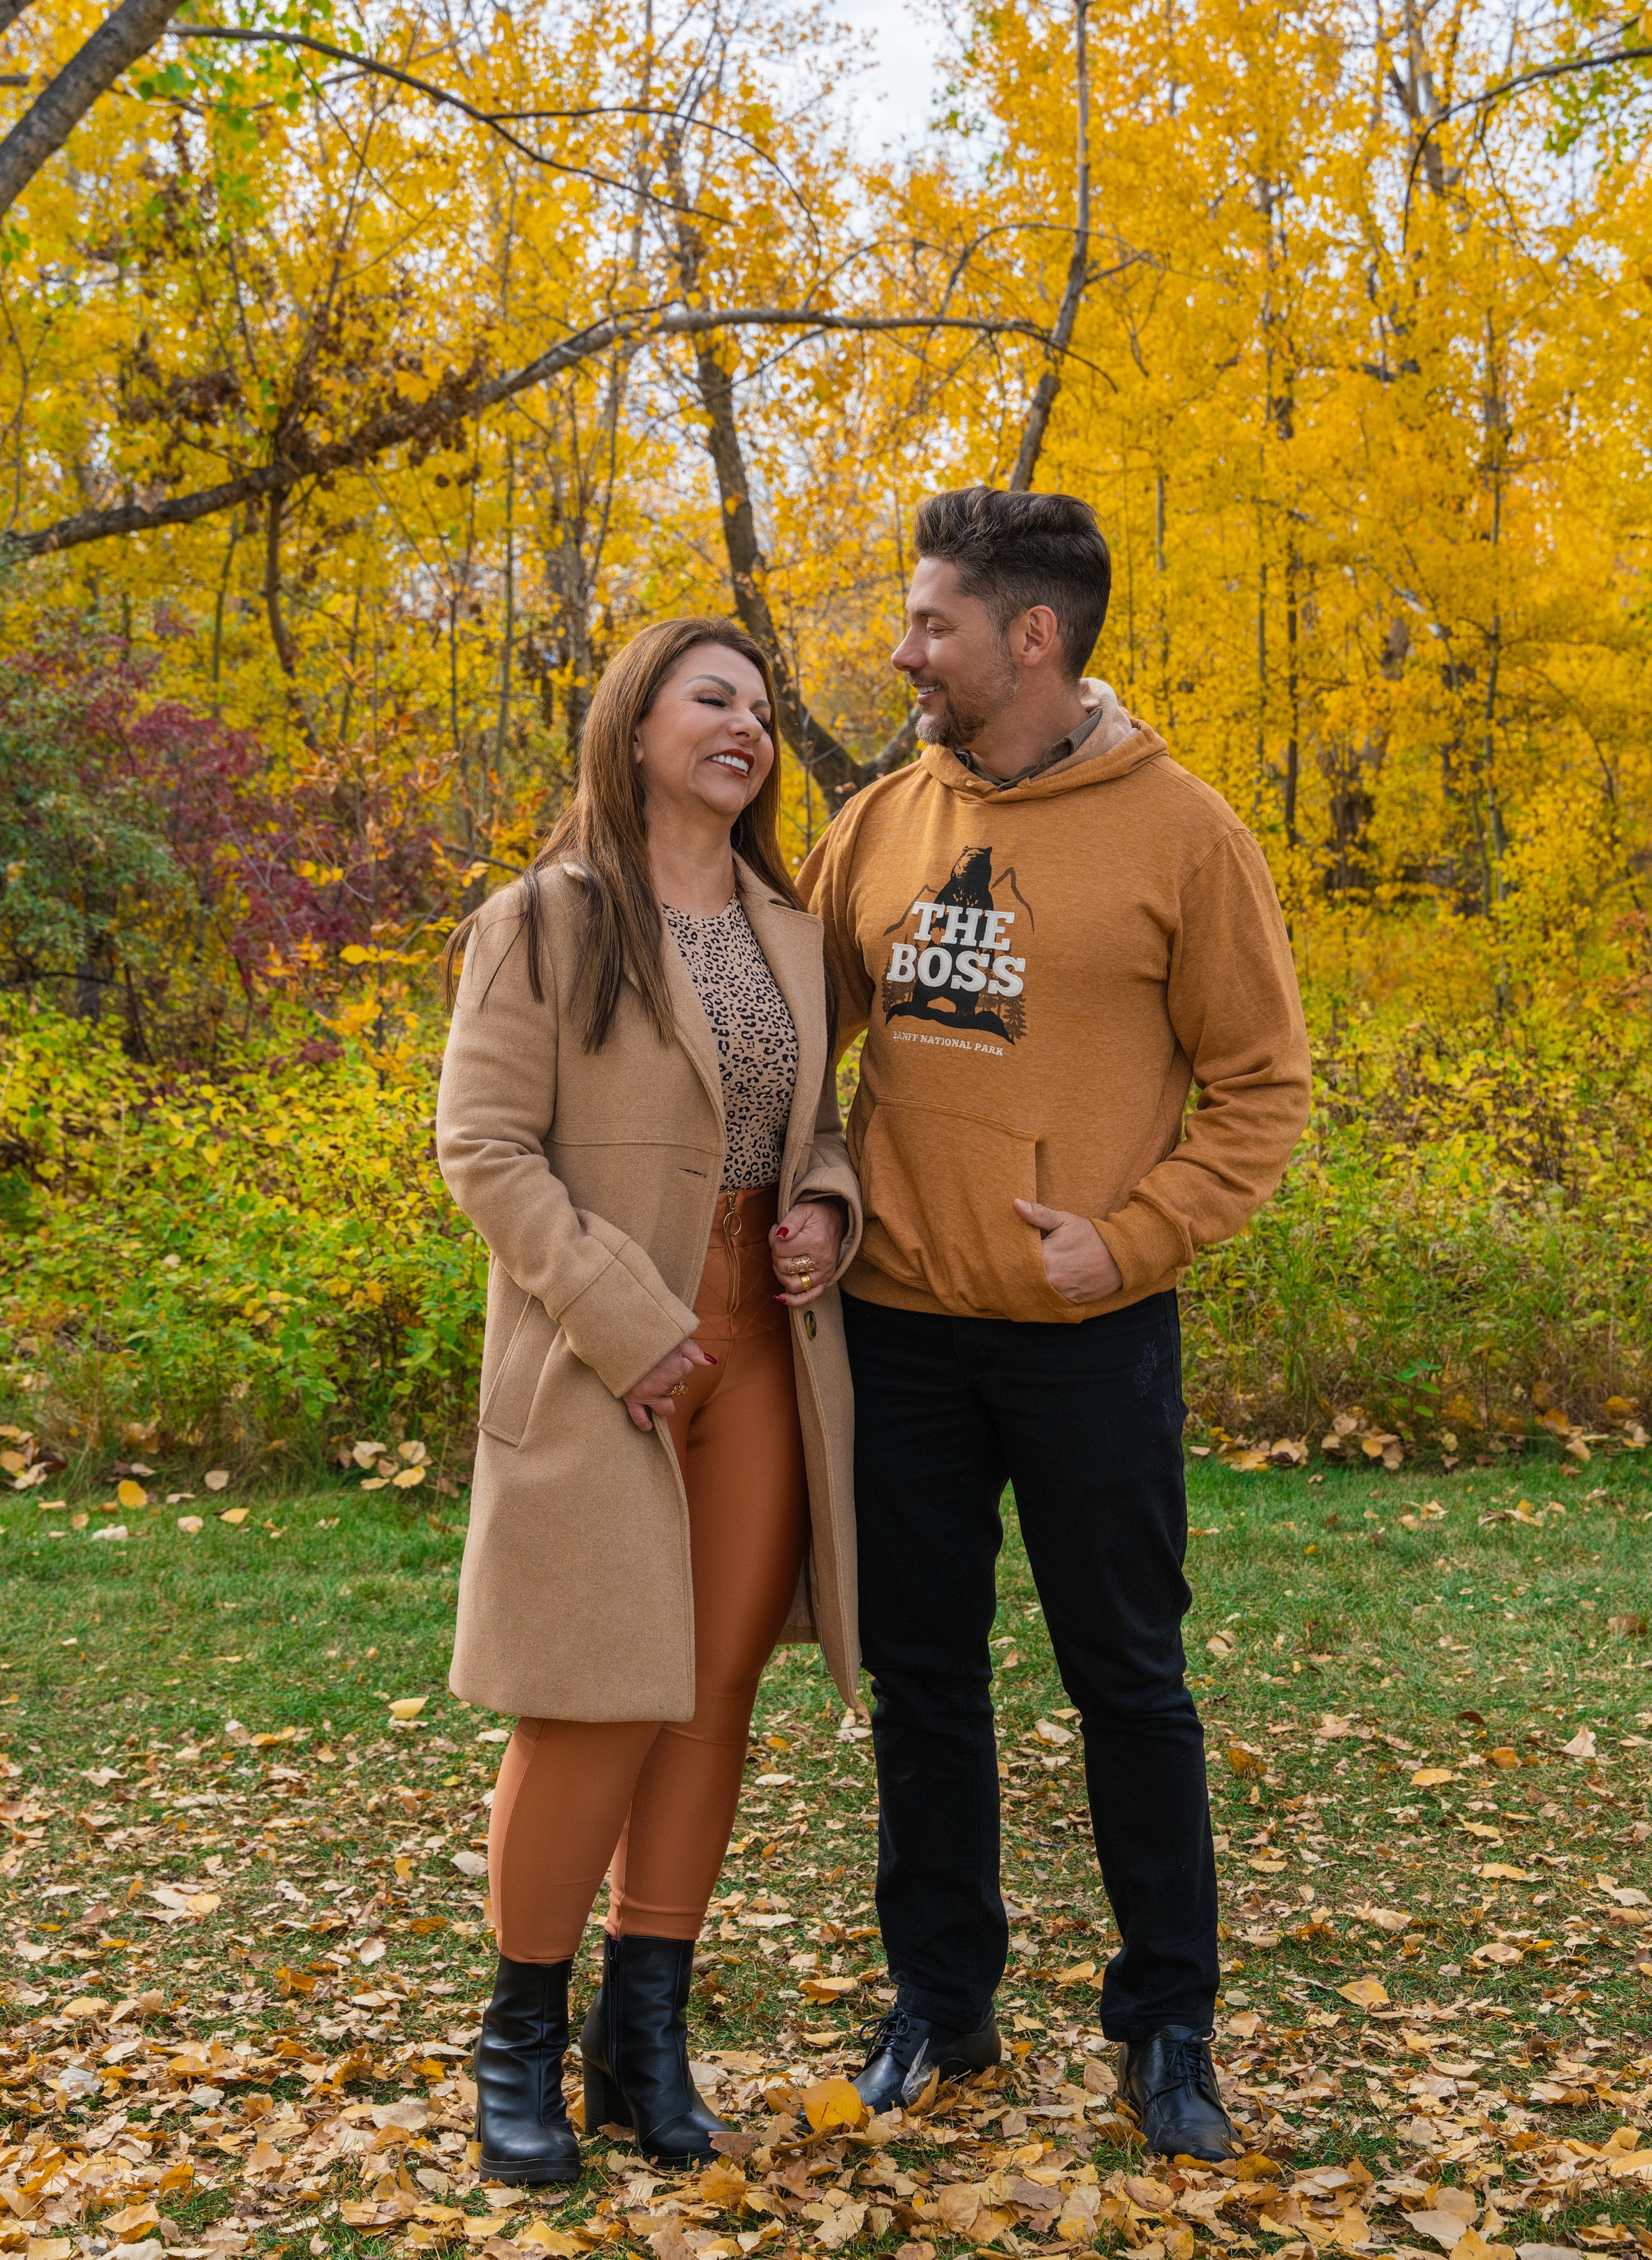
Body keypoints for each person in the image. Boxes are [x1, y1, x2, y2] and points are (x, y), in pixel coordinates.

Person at [800, 487, 1311, 2159]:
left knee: (1128, 1682)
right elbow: (798, 1053)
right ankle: (939, 2008)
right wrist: (814, 1197)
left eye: (930, 621)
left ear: (1031, 636)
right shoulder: (876, 822)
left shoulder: (1185, 836)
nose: (902, 650)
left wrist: (1132, 1240)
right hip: (896, 1334)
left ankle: (1166, 2026)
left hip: (1090, 1335)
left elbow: (1258, 1092)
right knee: (925, 1682)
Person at [436, 616, 864, 2185]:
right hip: (608, 1359)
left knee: (711, 1697)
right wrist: (629, 1321)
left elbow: (819, 1127)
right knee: (594, 1697)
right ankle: (516, 2046)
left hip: (767, 1354)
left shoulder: (794, 932)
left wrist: (823, 1203)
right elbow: (483, 1150)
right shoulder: (544, 918)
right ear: (634, 727)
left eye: (759, 707)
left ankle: (644, 2043)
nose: (745, 725)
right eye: (711, 698)